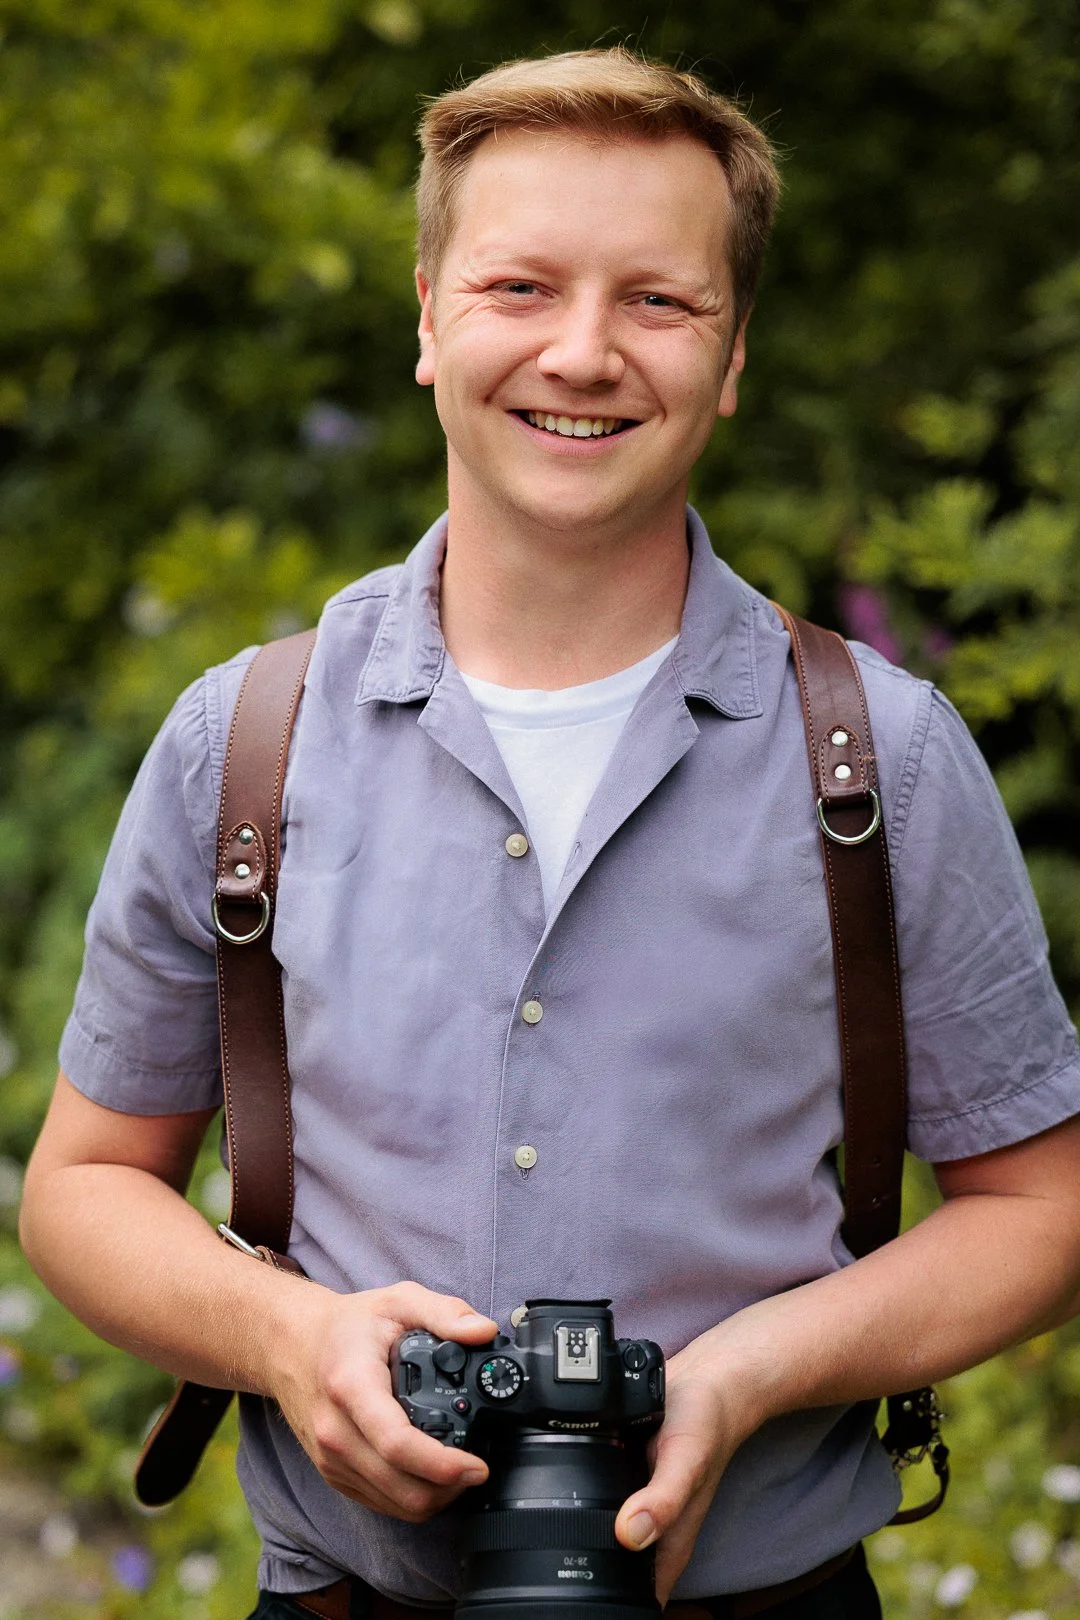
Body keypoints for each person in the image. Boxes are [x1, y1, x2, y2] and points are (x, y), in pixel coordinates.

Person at [18, 46, 1080, 1620]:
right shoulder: (243, 747)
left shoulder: (883, 764)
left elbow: (1043, 1208)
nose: (584, 353)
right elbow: (83, 1184)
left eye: (660, 301)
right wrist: (291, 1342)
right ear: (431, 321)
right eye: (521, 287)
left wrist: (746, 1374)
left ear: (732, 358)